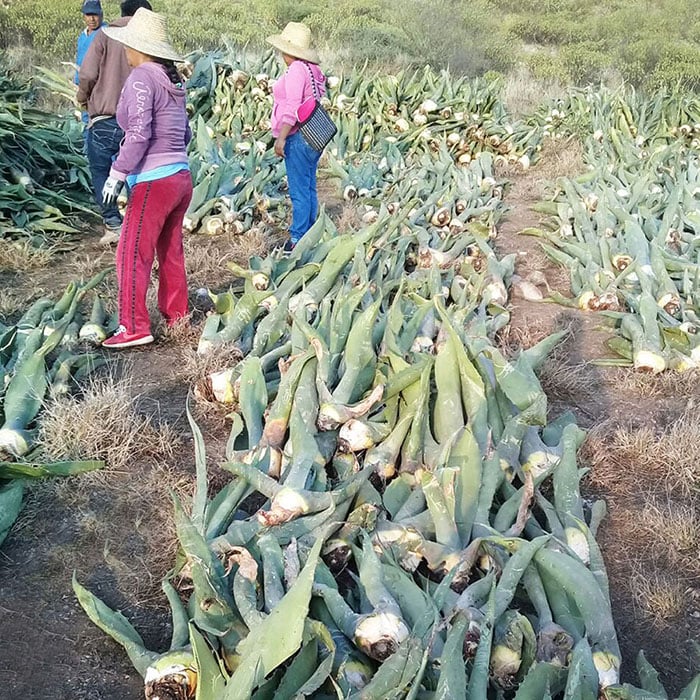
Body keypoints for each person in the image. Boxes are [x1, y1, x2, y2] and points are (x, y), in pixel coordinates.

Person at [98, 8, 192, 349]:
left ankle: (134, 326)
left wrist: (117, 173)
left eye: (129, 45)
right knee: (170, 251)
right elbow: (186, 134)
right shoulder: (173, 80)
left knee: (131, 252)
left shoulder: (141, 78)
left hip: (154, 181)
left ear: (141, 48)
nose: (126, 51)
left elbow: (138, 133)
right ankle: (177, 317)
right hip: (180, 177)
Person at [77, 0, 153, 245]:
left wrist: (82, 98)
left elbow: (87, 73)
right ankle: (136, 225)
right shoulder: (146, 39)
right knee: (134, 171)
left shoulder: (106, 35)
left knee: (101, 171)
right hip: (136, 120)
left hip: (104, 117)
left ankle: (113, 224)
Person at [266, 22, 326, 251]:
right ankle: (311, 234)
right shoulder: (314, 71)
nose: (281, 54)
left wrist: (281, 138)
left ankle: (298, 239)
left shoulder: (296, 71)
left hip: (298, 137)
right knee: (309, 187)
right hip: (314, 136)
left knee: (299, 191)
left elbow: (292, 107)